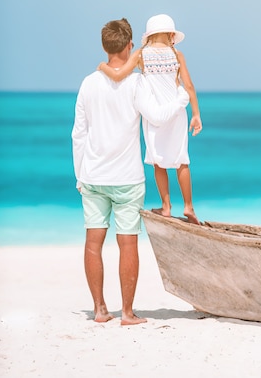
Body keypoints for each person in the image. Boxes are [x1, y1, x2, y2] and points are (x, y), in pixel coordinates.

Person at [72, 18, 189, 326]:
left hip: (93, 176)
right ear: (128, 46)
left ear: (105, 46)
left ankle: (99, 310)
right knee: (128, 242)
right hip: (127, 178)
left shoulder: (88, 83)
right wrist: (182, 98)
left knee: (93, 243)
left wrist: (79, 175)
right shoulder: (137, 83)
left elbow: (78, 135)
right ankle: (126, 313)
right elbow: (159, 117)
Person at [98, 13, 202, 224]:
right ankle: (189, 206)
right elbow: (189, 86)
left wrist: (102, 66)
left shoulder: (141, 54)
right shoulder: (177, 54)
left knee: (158, 162)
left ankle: (166, 206)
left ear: (149, 36)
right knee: (181, 160)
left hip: (155, 116)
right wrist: (196, 114)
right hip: (177, 115)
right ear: (171, 34)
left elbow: (118, 76)